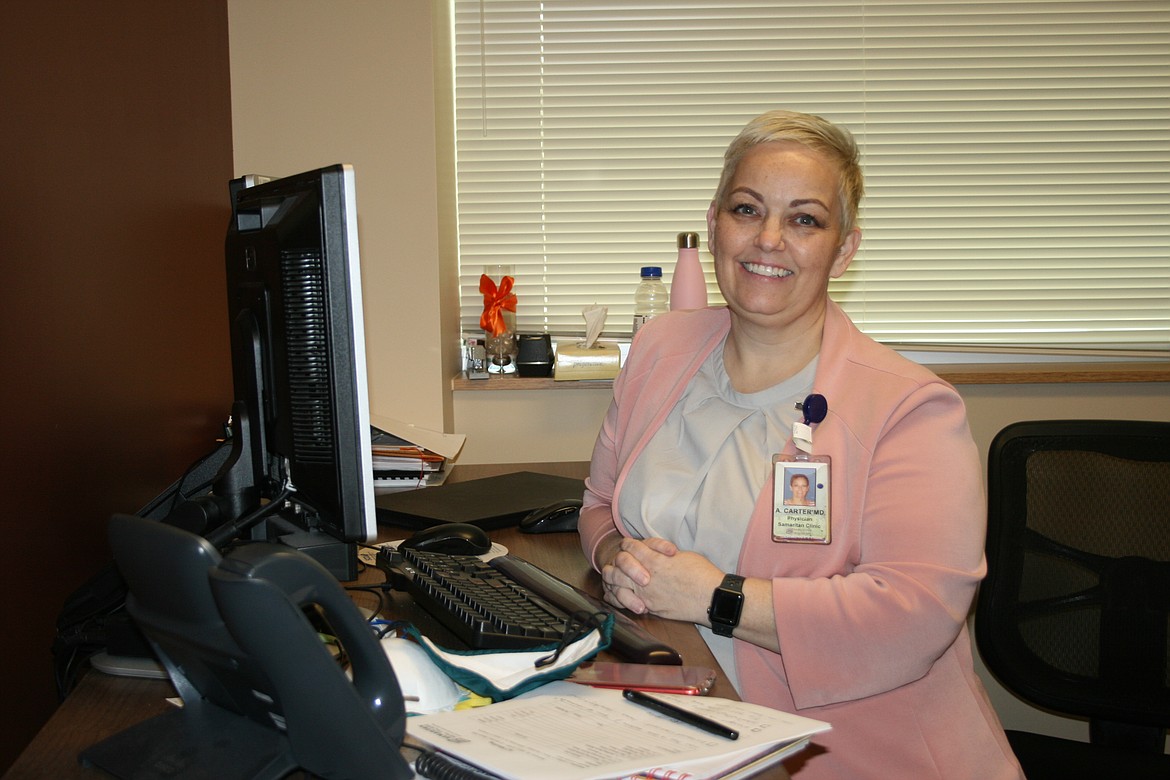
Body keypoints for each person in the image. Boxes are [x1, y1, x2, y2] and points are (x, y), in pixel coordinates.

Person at [578, 110, 1023, 779]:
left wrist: (714, 596)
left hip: (847, 753)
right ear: (714, 223)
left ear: (843, 250)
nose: (769, 238)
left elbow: (913, 616)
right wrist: (619, 558)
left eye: (805, 219)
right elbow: (600, 504)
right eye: (747, 208)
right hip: (687, 719)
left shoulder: (910, 408)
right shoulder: (659, 348)